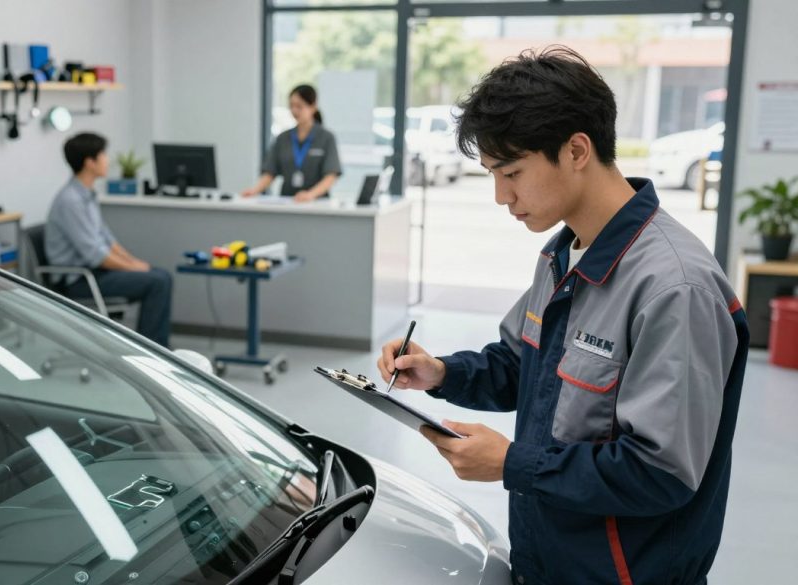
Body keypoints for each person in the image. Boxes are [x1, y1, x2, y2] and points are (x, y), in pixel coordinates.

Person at [377, 46, 748, 585]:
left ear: (576, 150)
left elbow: (660, 472)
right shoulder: (563, 254)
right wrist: (442, 373)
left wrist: (511, 465)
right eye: (492, 174)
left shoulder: (675, 289)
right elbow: (522, 366)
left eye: (512, 172)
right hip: (546, 558)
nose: (502, 196)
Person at [45, 132, 172, 347]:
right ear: (89, 162)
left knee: (159, 274)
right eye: (103, 155)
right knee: (158, 282)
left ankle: (156, 347)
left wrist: (136, 263)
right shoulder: (71, 201)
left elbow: (108, 241)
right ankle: (152, 352)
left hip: (95, 272)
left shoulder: (88, 195)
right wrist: (134, 269)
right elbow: (96, 255)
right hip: (80, 280)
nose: (108, 160)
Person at [242, 84, 342, 202]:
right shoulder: (283, 138)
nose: (294, 111)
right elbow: (270, 172)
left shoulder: (326, 138)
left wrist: (310, 195)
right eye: (291, 106)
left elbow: (331, 175)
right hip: (288, 201)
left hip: (317, 203)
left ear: (313, 107)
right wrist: (255, 190)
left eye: (299, 106)